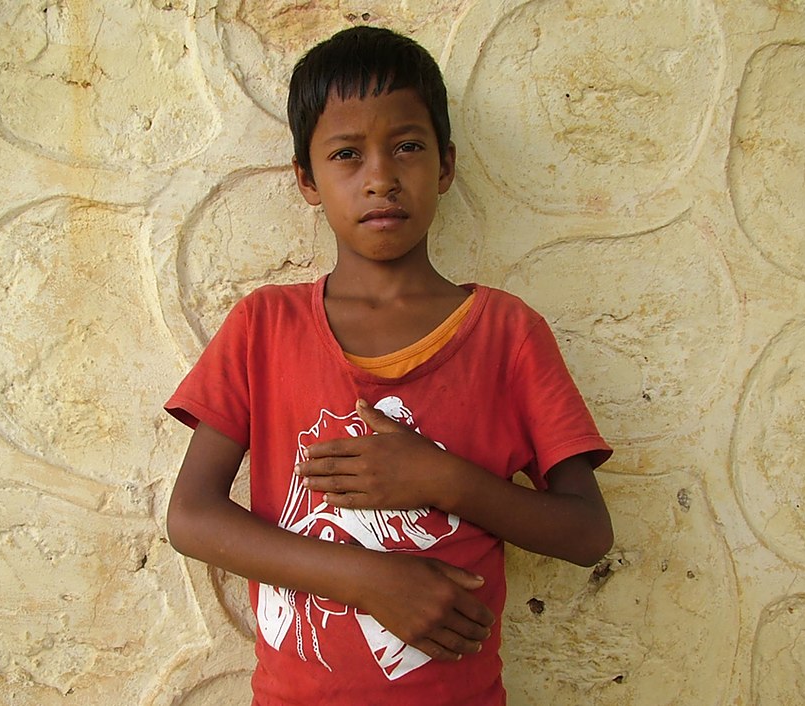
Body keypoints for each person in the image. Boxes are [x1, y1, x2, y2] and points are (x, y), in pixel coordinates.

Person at [164, 25, 613, 706]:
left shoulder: (507, 334)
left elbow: (586, 532)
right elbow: (192, 515)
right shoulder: (264, 327)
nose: (380, 177)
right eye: (347, 154)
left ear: (445, 166)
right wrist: (368, 579)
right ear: (307, 180)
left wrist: (443, 479)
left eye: (407, 146)